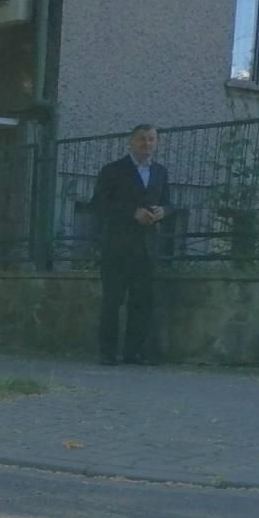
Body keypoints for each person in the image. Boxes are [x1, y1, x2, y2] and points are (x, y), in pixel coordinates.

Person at [91, 124, 170, 365]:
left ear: (156, 143)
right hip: (117, 247)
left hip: (146, 248)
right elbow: (98, 205)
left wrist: (162, 211)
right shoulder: (113, 170)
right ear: (131, 142)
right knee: (112, 301)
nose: (147, 144)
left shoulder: (160, 172)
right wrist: (131, 213)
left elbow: (169, 202)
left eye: (151, 139)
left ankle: (133, 351)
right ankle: (107, 352)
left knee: (142, 301)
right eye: (142, 139)